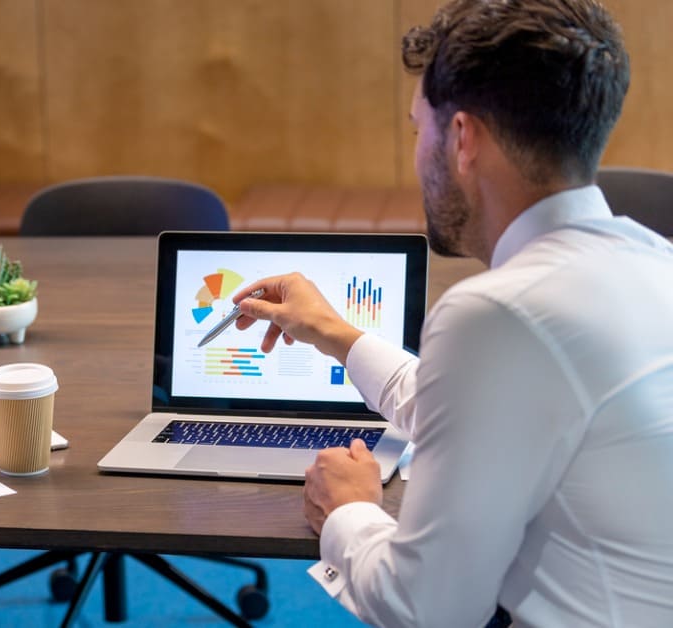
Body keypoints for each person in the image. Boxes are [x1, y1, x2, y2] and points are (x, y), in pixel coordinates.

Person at [232, 0, 673, 625]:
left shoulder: (499, 312)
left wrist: (348, 512)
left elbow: (428, 611)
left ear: (461, 139)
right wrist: (332, 333)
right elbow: (487, 409)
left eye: (420, 131)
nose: (419, 154)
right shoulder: (655, 264)